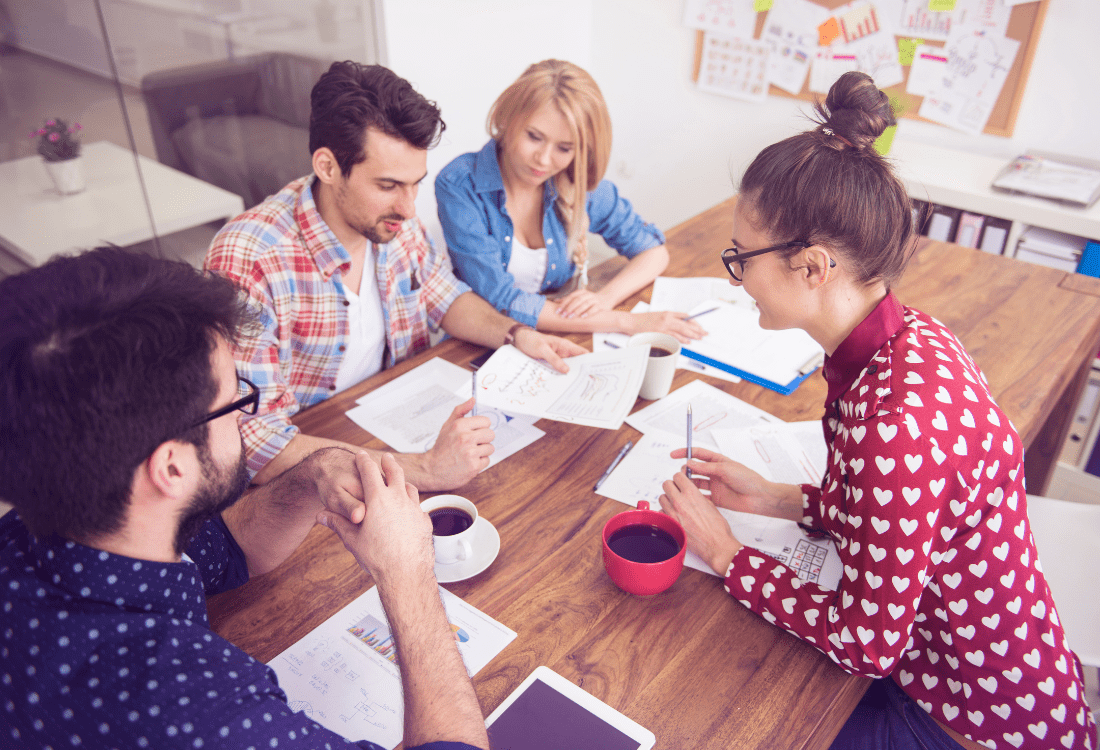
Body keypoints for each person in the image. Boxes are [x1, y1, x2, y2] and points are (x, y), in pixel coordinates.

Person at [658, 73, 1096, 750]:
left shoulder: (891, 432)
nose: (735, 275)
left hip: (966, 718)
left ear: (813, 267)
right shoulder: (914, 336)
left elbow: (867, 647)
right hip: (1019, 669)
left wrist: (724, 552)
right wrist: (781, 499)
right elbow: (911, 514)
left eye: (741, 258)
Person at [0, 247, 488, 750]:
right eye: (236, 401)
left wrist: (310, 476)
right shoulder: (189, 709)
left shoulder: (49, 535)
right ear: (171, 467)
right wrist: (407, 573)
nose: (243, 417)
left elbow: (227, 548)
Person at [205, 61, 585, 491]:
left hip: (392, 423)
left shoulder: (391, 222)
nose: (408, 208)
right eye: (388, 186)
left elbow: (446, 295)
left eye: (415, 184)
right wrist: (422, 469)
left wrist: (517, 334)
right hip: (309, 471)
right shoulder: (249, 258)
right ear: (328, 168)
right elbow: (252, 439)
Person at [435, 59, 704, 343]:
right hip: (485, 338)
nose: (544, 159)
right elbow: (501, 297)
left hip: (561, 333)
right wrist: (625, 322)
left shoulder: (575, 181)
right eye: (534, 137)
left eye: (564, 148)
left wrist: (605, 299)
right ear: (507, 118)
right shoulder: (459, 184)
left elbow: (653, 252)